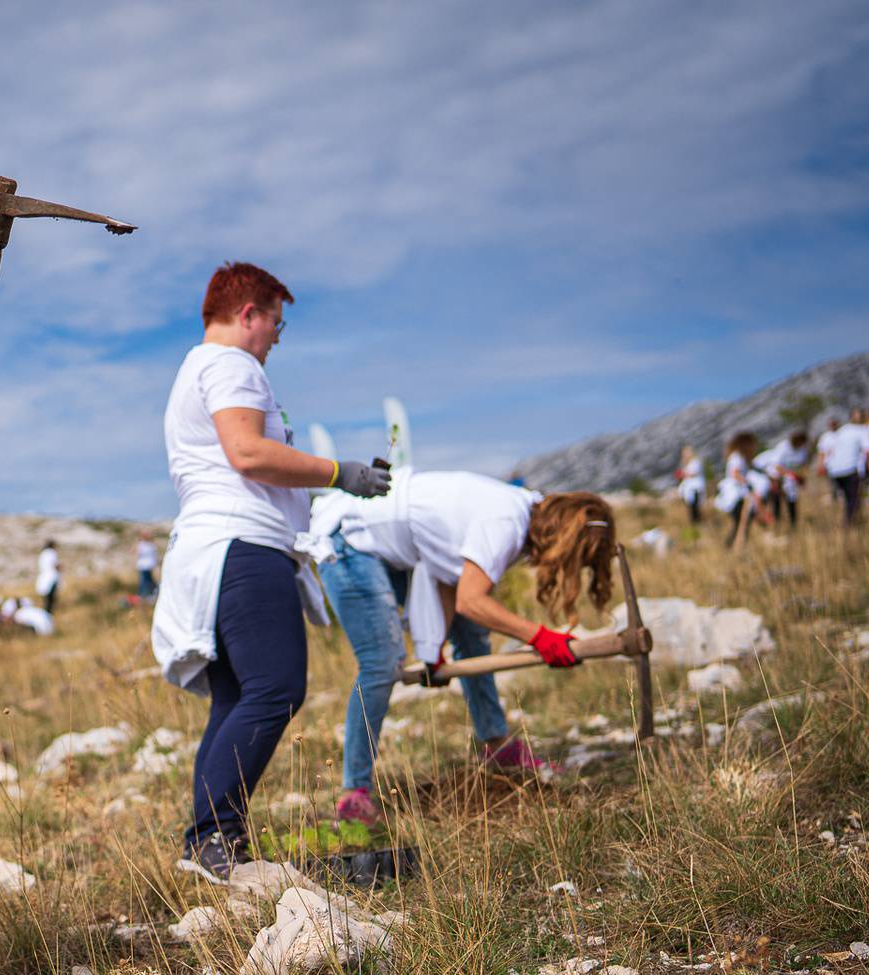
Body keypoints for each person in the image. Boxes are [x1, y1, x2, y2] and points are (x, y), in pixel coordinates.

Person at [149, 261, 390, 883]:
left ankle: (206, 843)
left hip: (214, 548)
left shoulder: (194, 369)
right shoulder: (232, 365)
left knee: (235, 696)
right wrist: (342, 473)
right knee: (276, 688)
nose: (276, 339)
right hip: (245, 547)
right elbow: (248, 453)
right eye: (275, 324)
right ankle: (213, 838)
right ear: (248, 314)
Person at [307, 478, 616, 823]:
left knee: (471, 637)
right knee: (381, 661)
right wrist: (541, 637)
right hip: (349, 541)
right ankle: (354, 794)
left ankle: (497, 746)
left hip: (396, 549)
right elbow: (471, 600)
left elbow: (448, 572)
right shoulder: (505, 524)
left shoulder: (521, 512)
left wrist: (433, 645)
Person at [819, 410, 869, 526]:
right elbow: (867, 450)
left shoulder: (843, 431)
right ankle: (849, 522)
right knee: (852, 498)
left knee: (849, 498)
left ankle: (849, 521)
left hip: (840, 471)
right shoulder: (857, 431)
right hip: (848, 470)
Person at [754, 432, 809, 528]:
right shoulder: (783, 448)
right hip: (775, 476)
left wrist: (799, 476)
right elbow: (776, 467)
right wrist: (789, 475)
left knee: (791, 499)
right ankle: (775, 522)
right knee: (776, 500)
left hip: (789, 478)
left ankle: (793, 524)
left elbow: (802, 464)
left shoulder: (802, 450)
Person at [716, 434, 758, 544]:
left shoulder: (736, 457)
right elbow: (735, 473)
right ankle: (733, 545)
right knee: (740, 522)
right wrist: (748, 484)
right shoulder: (737, 458)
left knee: (740, 522)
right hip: (736, 495)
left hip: (736, 494)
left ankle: (735, 544)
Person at [674, 446, 705, 525]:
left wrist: (682, 474)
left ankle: (699, 525)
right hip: (689, 490)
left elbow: (693, 473)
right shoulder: (687, 464)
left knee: (696, 509)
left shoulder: (696, 462)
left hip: (696, 489)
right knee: (691, 509)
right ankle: (695, 525)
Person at [36, 540, 61, 614]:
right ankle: (48, 615)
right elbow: (54, 565)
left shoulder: (43, 554)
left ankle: (46, 613)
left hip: (44, 578)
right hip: (51, 579)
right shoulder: (51, 553)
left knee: (46, 599)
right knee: (50, 600)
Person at [136, 530, 160, 599]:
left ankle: (148, 594)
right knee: (144, 581)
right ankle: (142, 595)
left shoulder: (151, 545)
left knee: (148, 581)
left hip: (149, 566)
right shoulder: (141, 545)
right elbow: (135, 552)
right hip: (143, 566)